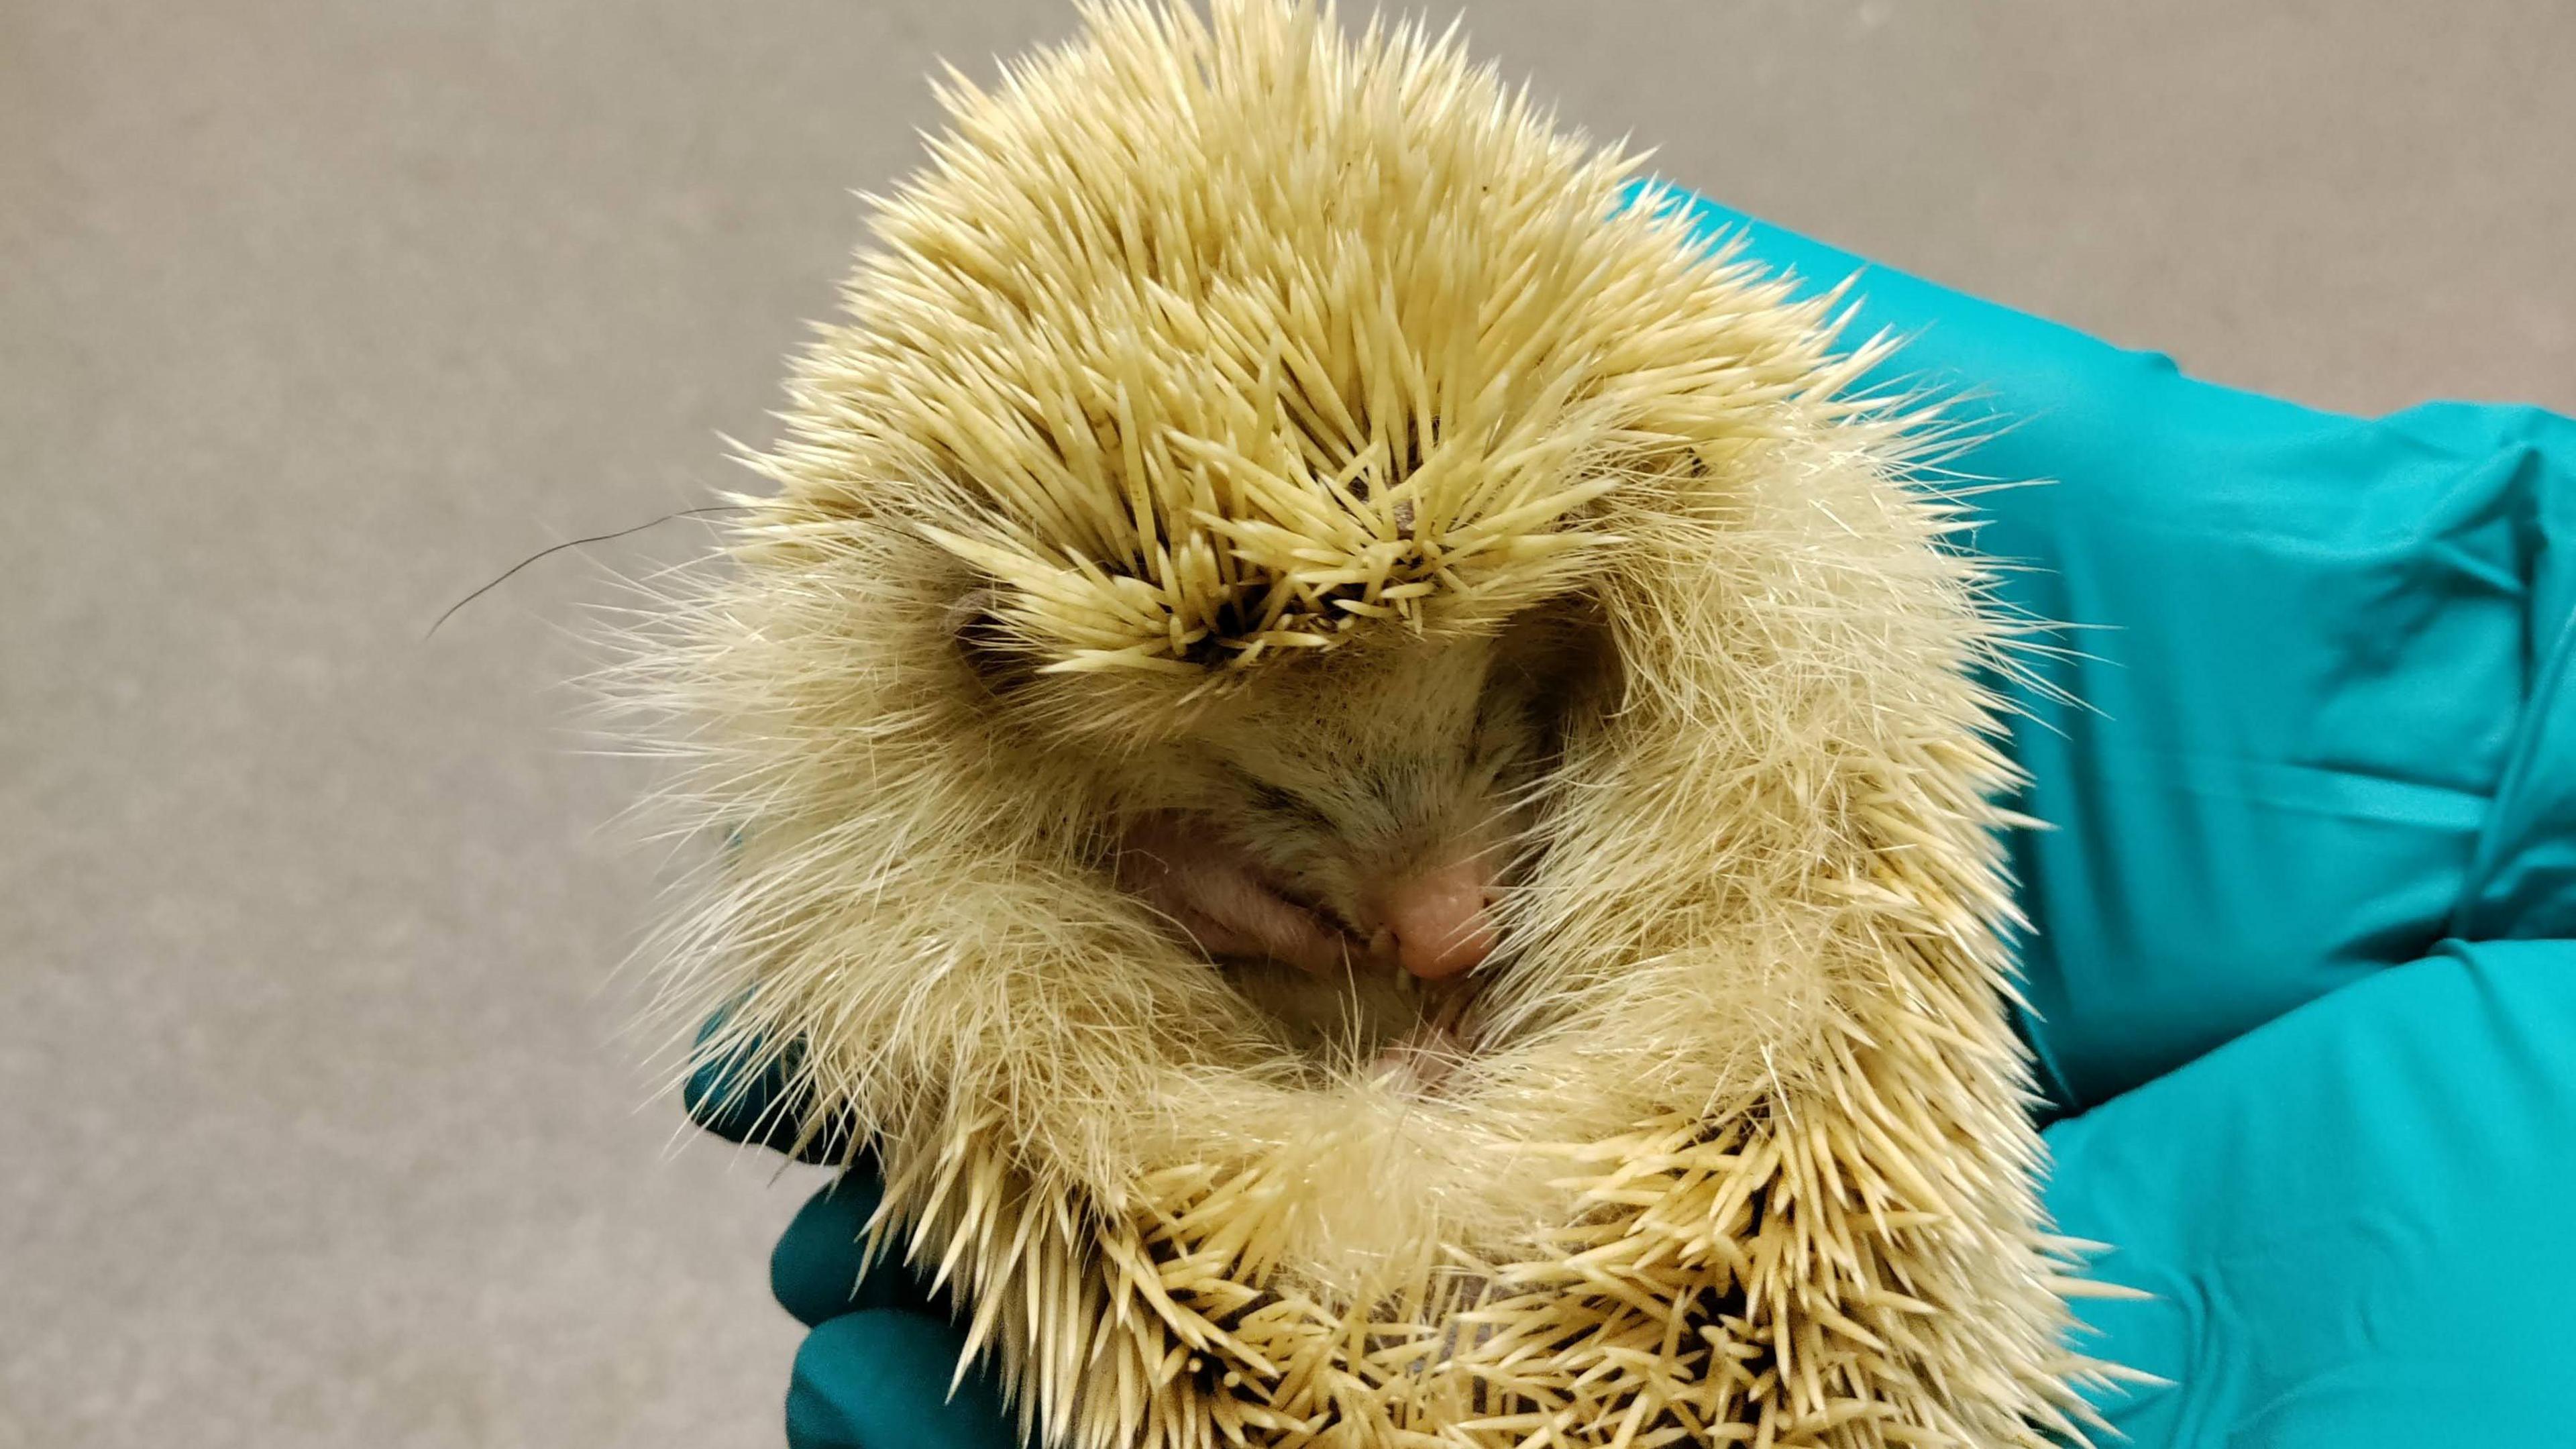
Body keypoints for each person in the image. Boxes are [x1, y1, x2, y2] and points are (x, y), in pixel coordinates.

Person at [690, 184, 2576, 1448]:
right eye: (1275, 790)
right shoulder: (957, 706)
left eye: (1502, 719)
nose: (1448, 929)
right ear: (1003, 665)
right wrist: (2502, 676)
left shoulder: (1689, 518)